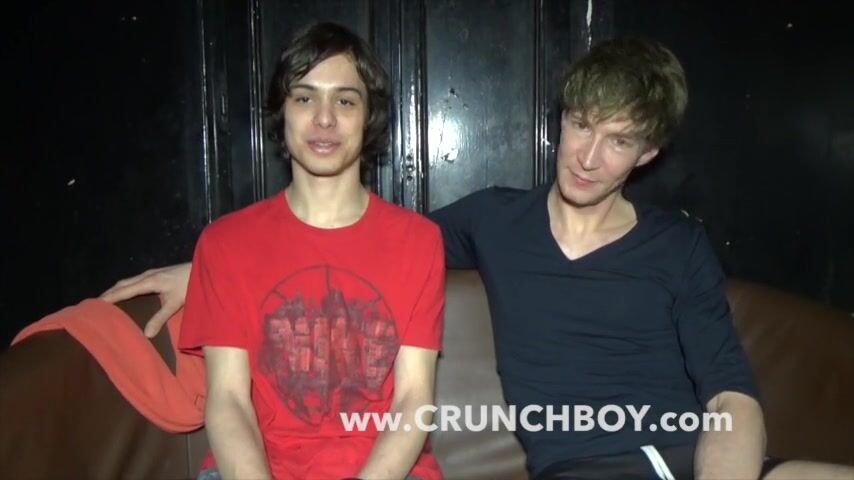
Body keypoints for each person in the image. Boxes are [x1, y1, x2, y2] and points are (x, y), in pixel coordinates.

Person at [103, 37, 853, 480]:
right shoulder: (494, 220)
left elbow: (730, 399)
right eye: (581, 126)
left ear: (648, 153)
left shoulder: (677, 245)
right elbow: (349, 239)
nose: (588, 157)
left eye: (619, 140)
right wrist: (205, 271)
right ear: (560, 121)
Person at [130, 22, 446, 480]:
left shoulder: (418, 241)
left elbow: (413, 401)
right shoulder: (224, 244)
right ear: (282, 113)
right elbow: (229, 400)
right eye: (304, 98)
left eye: (345, 100)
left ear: (369, 117)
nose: (324, 118)